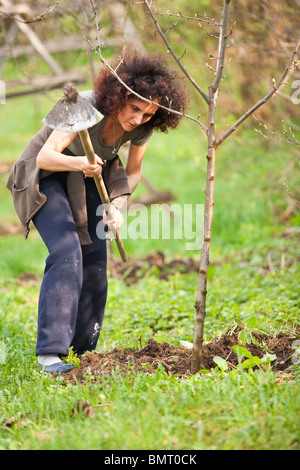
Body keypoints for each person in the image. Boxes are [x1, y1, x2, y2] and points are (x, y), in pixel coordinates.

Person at [6, 51, 188, 374]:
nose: (137, 119)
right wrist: (81, 163)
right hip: (45, 176)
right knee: (66, 251)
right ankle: (50, 355)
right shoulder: (82, 105)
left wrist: (117, 208)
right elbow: (46, 157)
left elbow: (132, 173)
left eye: (147, 115)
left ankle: (80, 354)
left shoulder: (141, 127)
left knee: (95, 261)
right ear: (119, 94)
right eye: (134, 109)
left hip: (86, 177)